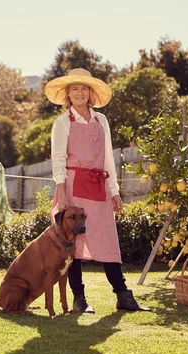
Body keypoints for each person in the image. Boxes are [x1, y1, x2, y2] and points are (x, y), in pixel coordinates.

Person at [45, 68, 150, 313]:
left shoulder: (101, 120)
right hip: (73, 185)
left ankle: (123, 296)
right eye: (74, 89)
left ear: (90, 93)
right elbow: (58, 159)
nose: (79, 93)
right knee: (75, 243)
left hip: (99, 186)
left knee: (108, 238)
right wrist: (61, 192)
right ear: (67, 95)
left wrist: (114, 190)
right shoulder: (62, 123)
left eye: (84, 88)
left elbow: (108, 159)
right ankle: (79, 299)